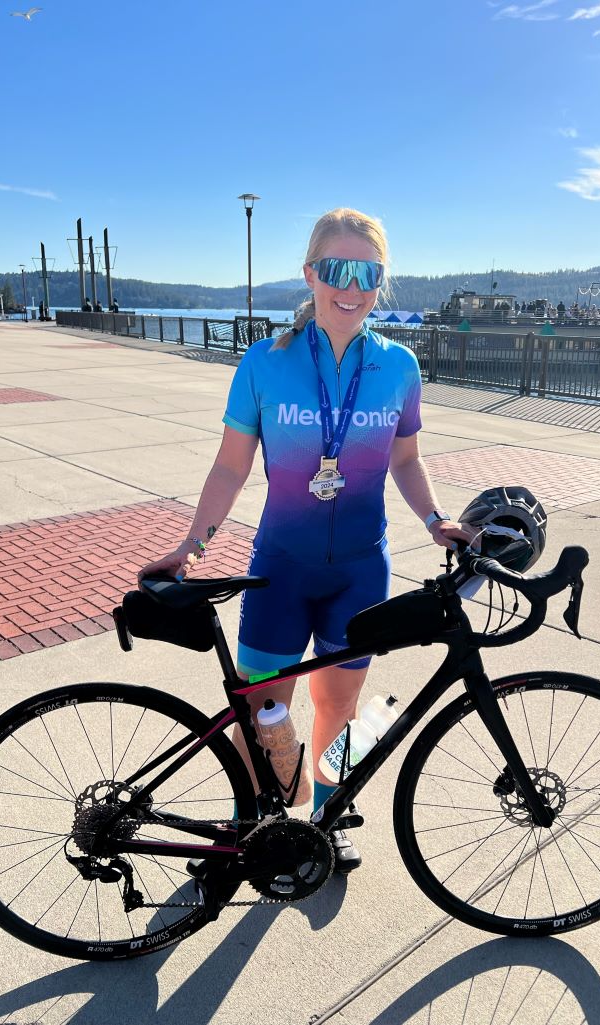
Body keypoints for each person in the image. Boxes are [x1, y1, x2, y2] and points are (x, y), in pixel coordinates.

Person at [138, 208, 476, 871]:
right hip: (280, 570)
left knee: (343, 706)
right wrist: (193, 545)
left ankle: (329, 811)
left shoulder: (398, 366)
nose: (350, 287)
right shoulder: (266, 363)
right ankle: (247, 822)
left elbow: (405, 460)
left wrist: (436, 519)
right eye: (336, 269)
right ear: (310, 274)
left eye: (367, 273)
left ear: (382, 282)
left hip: (360, 570)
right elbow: (231, 466)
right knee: (262, 708)